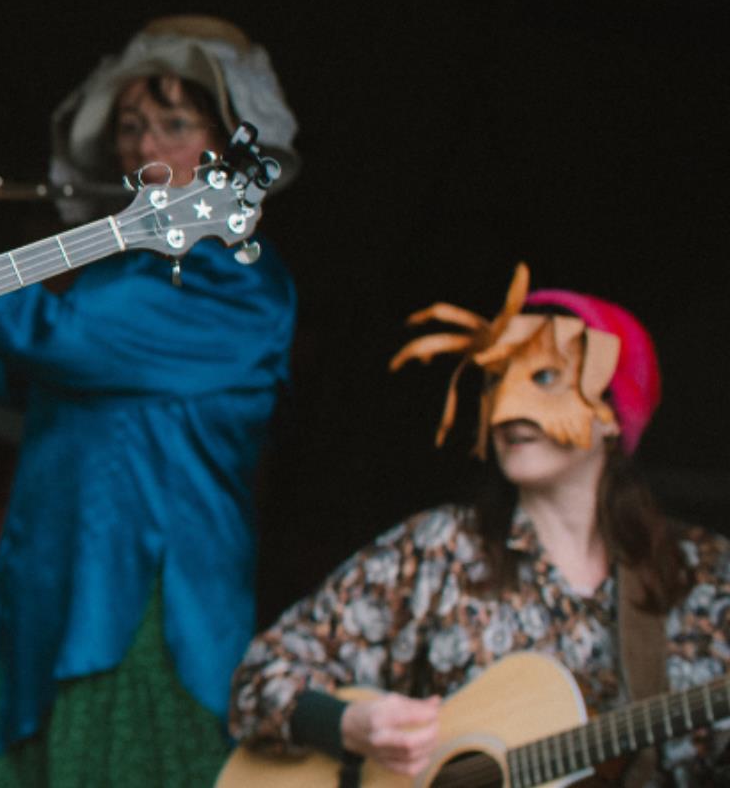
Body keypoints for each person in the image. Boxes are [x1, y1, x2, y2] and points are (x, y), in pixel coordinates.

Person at [0, 16, 299, 784]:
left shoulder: (236, 282)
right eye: (130, 126)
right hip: (49, 582)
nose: (143, 146)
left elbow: (55, 340)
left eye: (173, 123)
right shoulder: (116, 274)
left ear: (230, 145)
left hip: (147, 600)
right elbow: (0, 370)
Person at [228, 265, 730, 785]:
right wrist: (350, 724)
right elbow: (259, 678)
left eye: (544, 377)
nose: (509, 411)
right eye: (499, 377)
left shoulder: (704, 577)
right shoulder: (439, 549)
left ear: (612, 412)